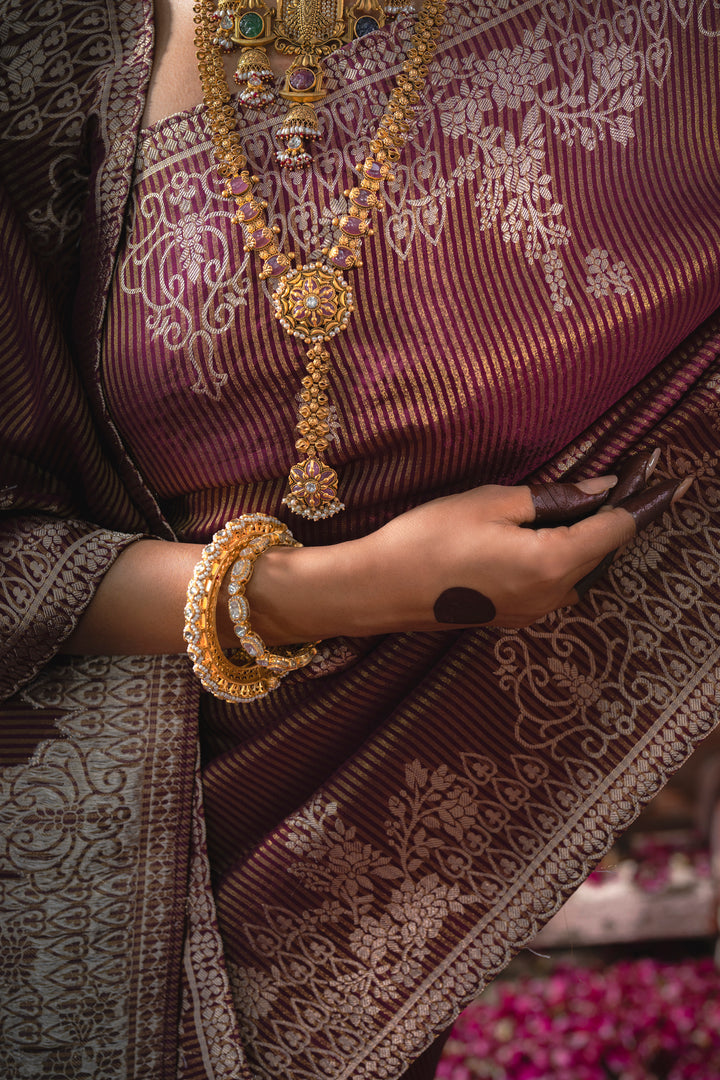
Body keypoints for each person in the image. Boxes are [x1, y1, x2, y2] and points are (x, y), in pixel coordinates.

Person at [1, 0, 719, 1076]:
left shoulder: (657, 48)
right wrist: (338, 588)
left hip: (374, 860)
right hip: (69, 890)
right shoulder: (42, 48)